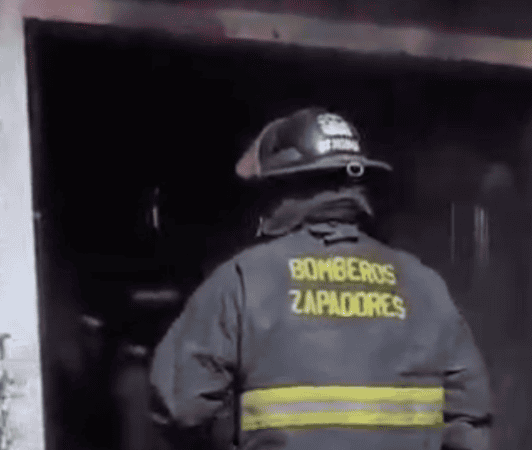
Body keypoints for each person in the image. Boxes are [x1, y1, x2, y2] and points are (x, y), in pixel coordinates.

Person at [148, 107, 492, 450]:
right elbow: (469, 421)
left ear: (278, 190)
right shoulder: (425, 286)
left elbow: (179, 406)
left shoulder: (241, 281)